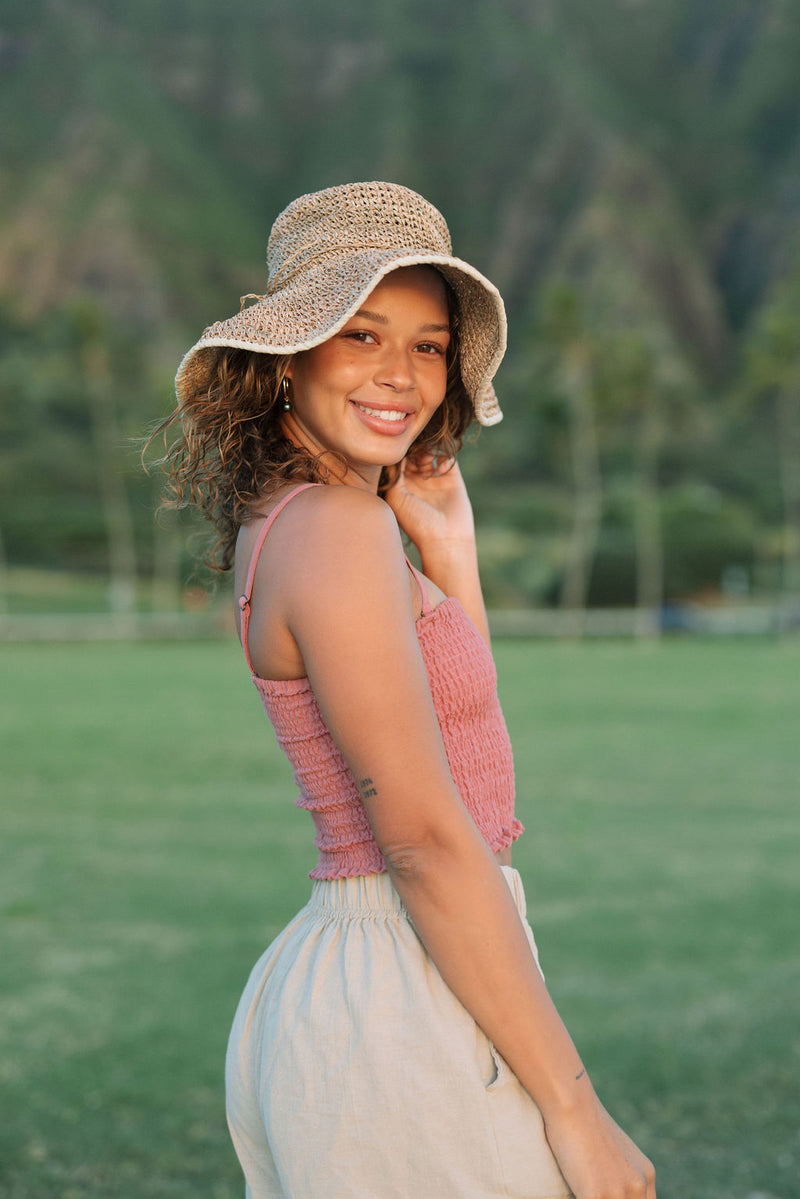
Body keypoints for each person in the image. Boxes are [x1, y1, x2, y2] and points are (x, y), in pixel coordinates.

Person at [160, 181, 656, 1199]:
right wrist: (575, 1106)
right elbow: (428, 839)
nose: (402, 376)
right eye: (361, 335)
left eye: (428, 345)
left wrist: (449, 551)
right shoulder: (334, 530)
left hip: (395, 971)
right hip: (395, 991)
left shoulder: (305, 521)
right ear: (288, 355)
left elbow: (467, 775)